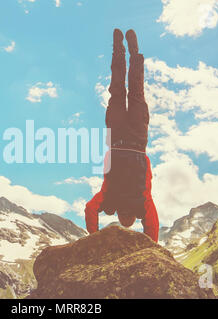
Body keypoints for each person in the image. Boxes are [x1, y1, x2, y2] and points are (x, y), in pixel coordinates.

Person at [84, 29, 159, 242]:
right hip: (117, 138)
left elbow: (152, 227)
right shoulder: (110, 201)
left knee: (135, 91)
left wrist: (151, 246)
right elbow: (90, 209)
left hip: (135, 138)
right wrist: (94, 235)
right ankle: (119, 50)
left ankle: (132, 52)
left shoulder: (140, 205)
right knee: (117, 91)